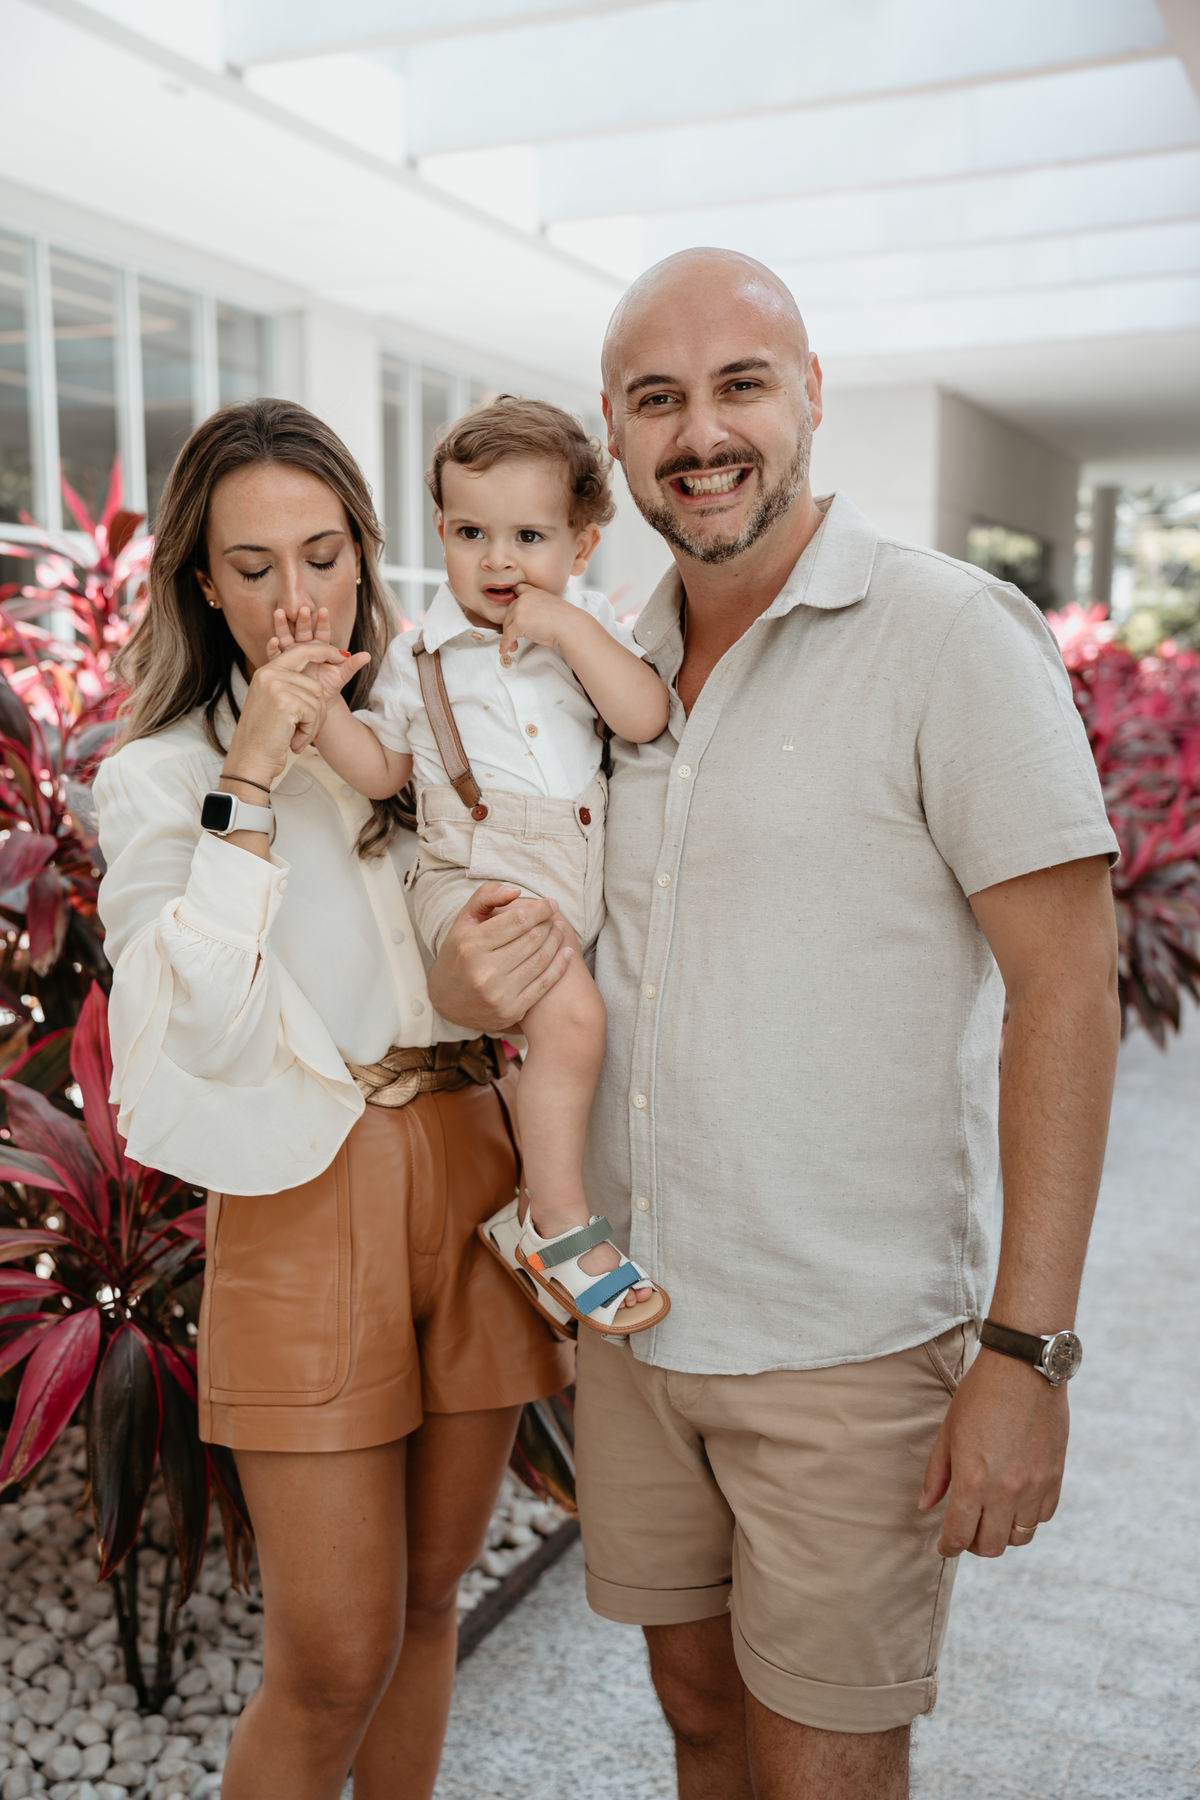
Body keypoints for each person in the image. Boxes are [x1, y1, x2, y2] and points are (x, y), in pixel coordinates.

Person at [427, 249, 1122, 1800]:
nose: (701, 433)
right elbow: (520, 915)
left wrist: (1028, 1353)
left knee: (826, 1766)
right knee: (698, 1720)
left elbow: (1068, 989)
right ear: (613, 432)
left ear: (809, 394)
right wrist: (463, 974)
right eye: (657, 399)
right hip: (640, 1327)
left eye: (739, 385)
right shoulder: (598, 667)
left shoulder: (950, 634)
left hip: (846, 1352)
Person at [95, 397, 574, 1800]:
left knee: (428, 1606)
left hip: (472, 1160)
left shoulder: (432, 723)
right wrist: (250, 774)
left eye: (323, 557)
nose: (297, 602)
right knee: (331, 1656)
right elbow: (195, 1020)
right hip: (307, 1189)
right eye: (254, 568)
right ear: (203, 582)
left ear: (364, 554)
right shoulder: (157, 776)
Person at [289, 396, 670, 1339]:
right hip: (471, 876)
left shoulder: (588, 634)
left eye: (529, 537)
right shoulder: (418, 659)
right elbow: (385, 771)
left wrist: (569, 631)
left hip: (572, 882)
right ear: (442, 533)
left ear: (582, 546)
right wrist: (325, 711)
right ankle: (558, 1223)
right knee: (573, 1020)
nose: (499, 561)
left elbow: (644, 716)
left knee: (589, 1034)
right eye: (471, 533)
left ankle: (532, 1208)